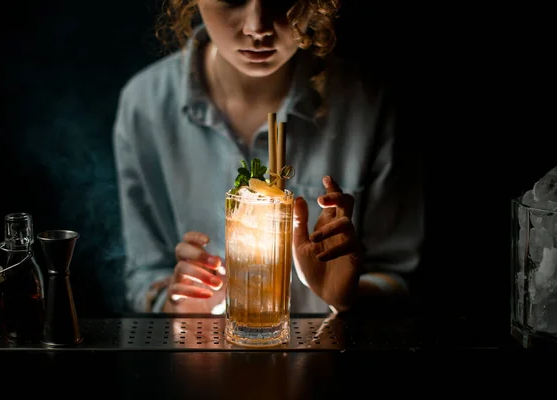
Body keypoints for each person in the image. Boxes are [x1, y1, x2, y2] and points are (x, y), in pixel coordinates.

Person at [112, 0, 424, 315]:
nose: (257, 28)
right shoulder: (145, 105)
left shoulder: (369, 104)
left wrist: (346, 296)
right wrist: (177, 303)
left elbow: (400, 278)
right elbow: (145, 279)